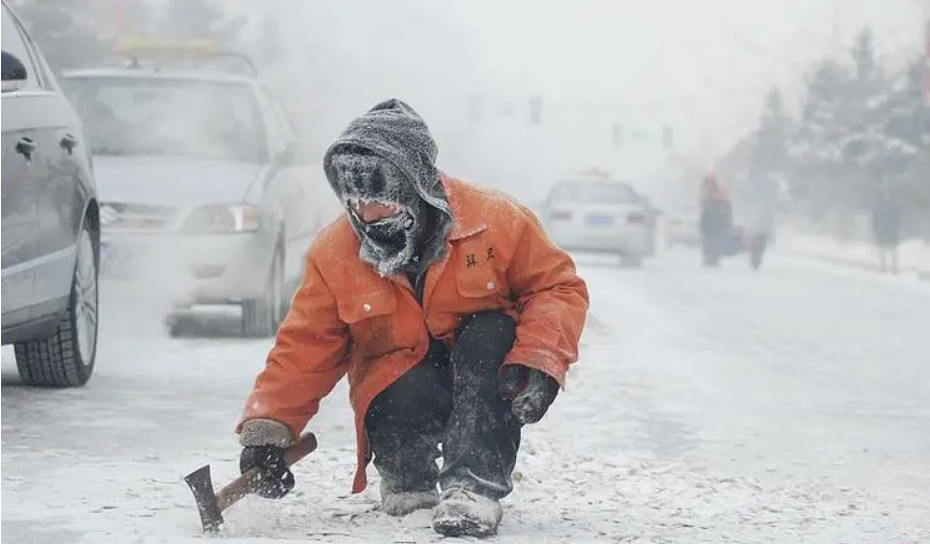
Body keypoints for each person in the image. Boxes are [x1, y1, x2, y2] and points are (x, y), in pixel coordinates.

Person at [233, 99, 590, 538]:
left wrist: (539, 360)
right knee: (393, 366)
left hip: (481, 381)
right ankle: (408, 478)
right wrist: (269, 432)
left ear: (417, 187)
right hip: (400, 391)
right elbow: (305, 345)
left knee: (491, 329)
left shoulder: (496, 221)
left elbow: (557, 287)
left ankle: (472, 487)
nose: (367, 216)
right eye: (356, 204)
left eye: (381, 204)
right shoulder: (335, 252)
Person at [698, 172, 733, 267]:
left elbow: (726, 206)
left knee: (713, 240)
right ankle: (710, 258)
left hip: (715, 220)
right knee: (711, 240)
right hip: (712, 221)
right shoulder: (706, 192)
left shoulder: (716, 192)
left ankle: (712, 258)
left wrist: (727, 219)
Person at [871, 188, 902, 274]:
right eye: (885, 194)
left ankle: (894, 267)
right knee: (882, 250)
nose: (886, 196)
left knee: (893, 250)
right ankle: (883, 266)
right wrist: (875, 228)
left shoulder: (895, 206)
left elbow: (898, 217)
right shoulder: (878, 206)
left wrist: (896, 226)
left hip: (892, 231)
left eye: (888, 194)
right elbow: (875, 218)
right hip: (883, 231)